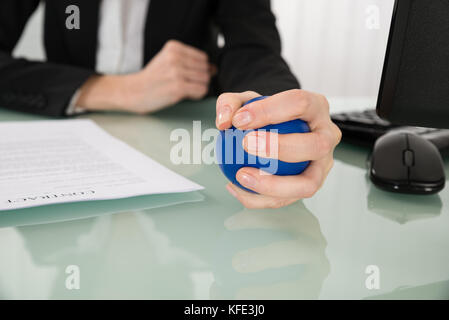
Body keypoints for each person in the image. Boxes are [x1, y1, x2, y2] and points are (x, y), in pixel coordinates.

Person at [0, 0, 341, 209]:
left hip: (184, 148)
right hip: (66, 160)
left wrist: (279, 108)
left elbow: (252, 48)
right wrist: (118, 90)